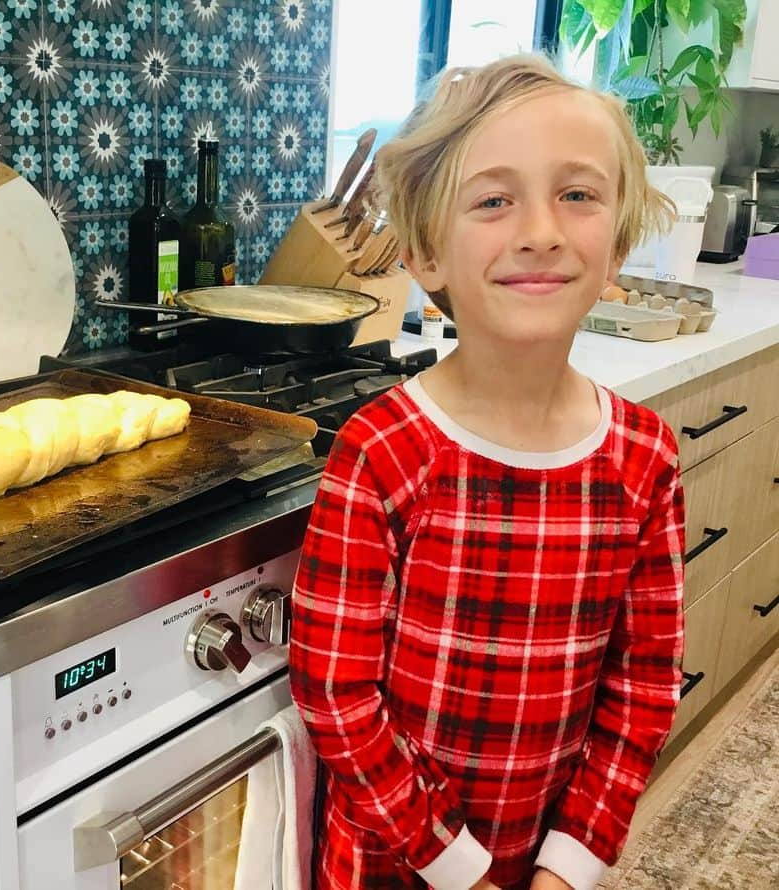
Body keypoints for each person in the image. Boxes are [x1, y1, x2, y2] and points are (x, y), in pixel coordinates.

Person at [289, 54, 684, 890]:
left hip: (548, 863)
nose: (540, 230)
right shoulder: (383, 451)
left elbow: (644, 688)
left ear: (615, 246)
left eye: (576, 194)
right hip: (393, 864)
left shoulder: (645, 458)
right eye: (495, 200)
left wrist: (569, 864)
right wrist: (457, 865)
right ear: (428, 255)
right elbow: (335, 693)